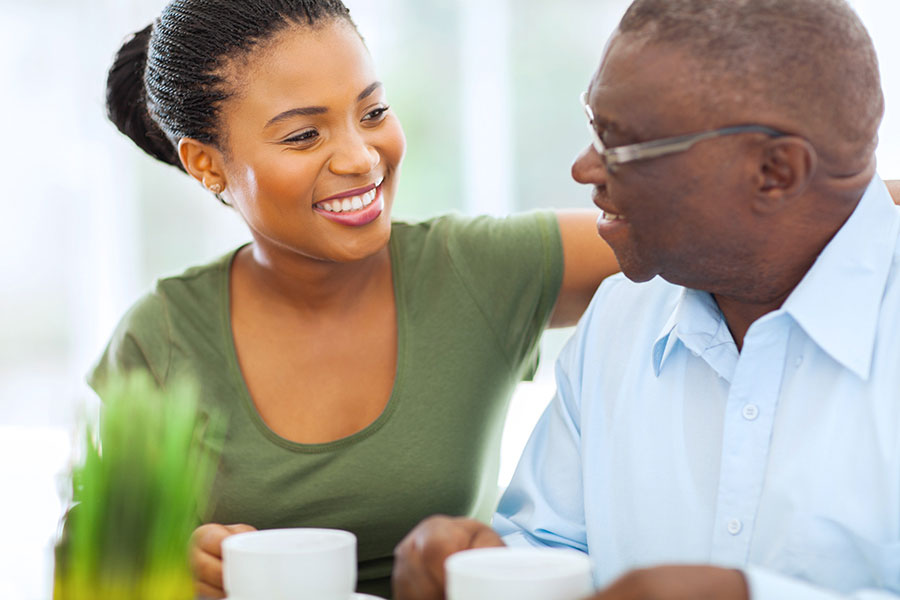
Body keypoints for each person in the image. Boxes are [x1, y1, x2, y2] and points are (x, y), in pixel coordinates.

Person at [94, 1, 620, 598]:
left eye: (372, 111)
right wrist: (159, 563)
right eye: (303, 135)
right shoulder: (159, 339)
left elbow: (682, 234)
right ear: (207, 164)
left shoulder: (480, 271)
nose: (361, 157)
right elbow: (95, 552)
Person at [392, 1, 900, 599]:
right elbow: (557, 545)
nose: (585, 169)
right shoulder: (619, 319)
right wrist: (488, 565)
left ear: (775, 171)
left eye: (621, 145)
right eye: (592, 128)